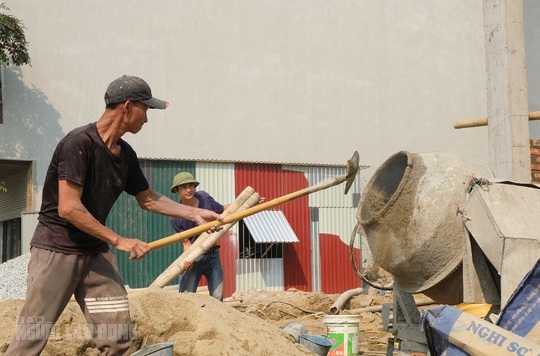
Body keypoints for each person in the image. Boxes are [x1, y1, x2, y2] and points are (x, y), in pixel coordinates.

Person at [5, 75, 222, 356]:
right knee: (32, 336)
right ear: (128, 107)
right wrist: (119, 240)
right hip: (56, 250)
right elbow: (68, 207)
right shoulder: (78, 143)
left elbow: (149, 199)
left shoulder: (126, 154)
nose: (147, 118)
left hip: (94, 253)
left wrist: (195, 214)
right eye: (146, 109)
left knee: (118, 337)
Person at [170, 172, 229, 301]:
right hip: (195, 257)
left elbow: (223, 209)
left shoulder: (204, 198)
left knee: (217, 298)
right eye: (184, 187)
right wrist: (188, 260)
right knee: (186, 298)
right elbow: (186, 244)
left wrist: (248, 202)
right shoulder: (176, 216)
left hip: (213, 255)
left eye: (191, 186)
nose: (188, 189)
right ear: (177, 190)